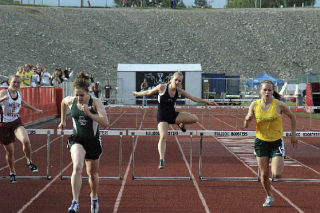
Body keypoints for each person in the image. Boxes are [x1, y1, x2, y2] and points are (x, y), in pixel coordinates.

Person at [133, 71, 217, 169]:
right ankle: (161, 159)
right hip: (162, 118)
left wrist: (207, 102)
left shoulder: (179, 91)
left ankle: (180, 123)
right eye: (176, 79)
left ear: (181, 83)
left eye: (179, 81)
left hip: (173, 115)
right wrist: (137, 94)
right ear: (171, 79)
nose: (177, 82)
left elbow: (193, 98)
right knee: (163, 136)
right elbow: (148, 92)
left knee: (195, 119)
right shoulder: (162, 87)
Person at [58, 71, 109, 213]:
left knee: (92, 174)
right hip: (77, 139)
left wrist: (89, 114)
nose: (79, 98)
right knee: (77, 166)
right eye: (77, 95)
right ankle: (75, 201)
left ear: (88, 93)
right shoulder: (71, 101)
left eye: (82, 95)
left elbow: (106, 122)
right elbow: (62, 102)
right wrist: (62, 121)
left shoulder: (95, 102)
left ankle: (94, 197)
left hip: (93, 141)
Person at [243, 80, 297, 207]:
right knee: (264, 174)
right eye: (265, 90)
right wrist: (247, 120)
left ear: (273, 91)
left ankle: (276, 163)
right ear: (260, 91)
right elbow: (245, 125)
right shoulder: (254, 105)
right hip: (261, 143)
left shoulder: (279, 105)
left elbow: (293, 117)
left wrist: (293, 135)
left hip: (276, 142)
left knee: (276, 173)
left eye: (270, 90)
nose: (267, 92)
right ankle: (269, 195)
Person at [0, 75, 43, 183]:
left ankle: (29, 161)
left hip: (15, 122)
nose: (16, 84)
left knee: (26, 140)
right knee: (10, 152)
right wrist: (2, 99)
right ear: (9, 82)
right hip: (4, 124)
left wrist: (35, 109)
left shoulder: (19, 93)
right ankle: (12, 172)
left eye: (18, 83)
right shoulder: (4, 92)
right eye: (14, 82)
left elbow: (22, 102)